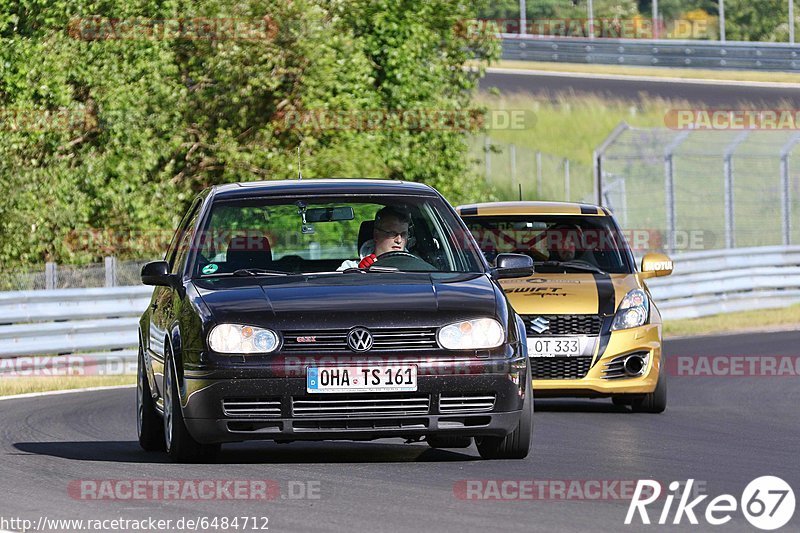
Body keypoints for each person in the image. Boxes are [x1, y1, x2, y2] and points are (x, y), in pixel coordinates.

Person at [338, 206, 412, 270]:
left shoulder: (417, 267)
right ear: (376, 235)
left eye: (403, 234)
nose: (399, 240)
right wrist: (360, 273)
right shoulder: (351, 267)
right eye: (392, 233)